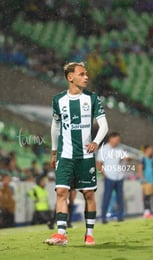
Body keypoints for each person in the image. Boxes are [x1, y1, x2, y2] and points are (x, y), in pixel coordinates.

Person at [45, 62, 108, 246]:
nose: (86, 77)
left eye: (86, 74)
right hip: (65, 155)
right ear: (70, 77)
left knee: (88, 194)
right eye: (82, 74)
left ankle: (89, 234)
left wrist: (96, 142)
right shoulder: (58, 100)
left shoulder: (93, 98)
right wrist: (54, 151)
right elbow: (55, 126)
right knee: (61, 192)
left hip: (85, 157)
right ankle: (61, 234)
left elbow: (104, 125)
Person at [96, 132, 125, 224]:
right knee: (107, 196)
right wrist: (104, 174)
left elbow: (123, 158)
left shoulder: (120, 148)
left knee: (120, 197)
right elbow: (98, 163)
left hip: (119, 176)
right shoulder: (104, 149)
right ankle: (103, 217)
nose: (118, 141)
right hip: (109, 176)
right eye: (117, 139)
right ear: (111, 139)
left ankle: (120, 216)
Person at [138, 145, 153, 218]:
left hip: (151, 180)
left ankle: (150, 211)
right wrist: (143, 179)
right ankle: (146, 211)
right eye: (150, 149)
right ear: (146, 150)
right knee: (146, 196)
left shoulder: (152, 159)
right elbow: (139, 169)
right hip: (146, 180)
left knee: (150, 197)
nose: (151, 151)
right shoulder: (142, 159)